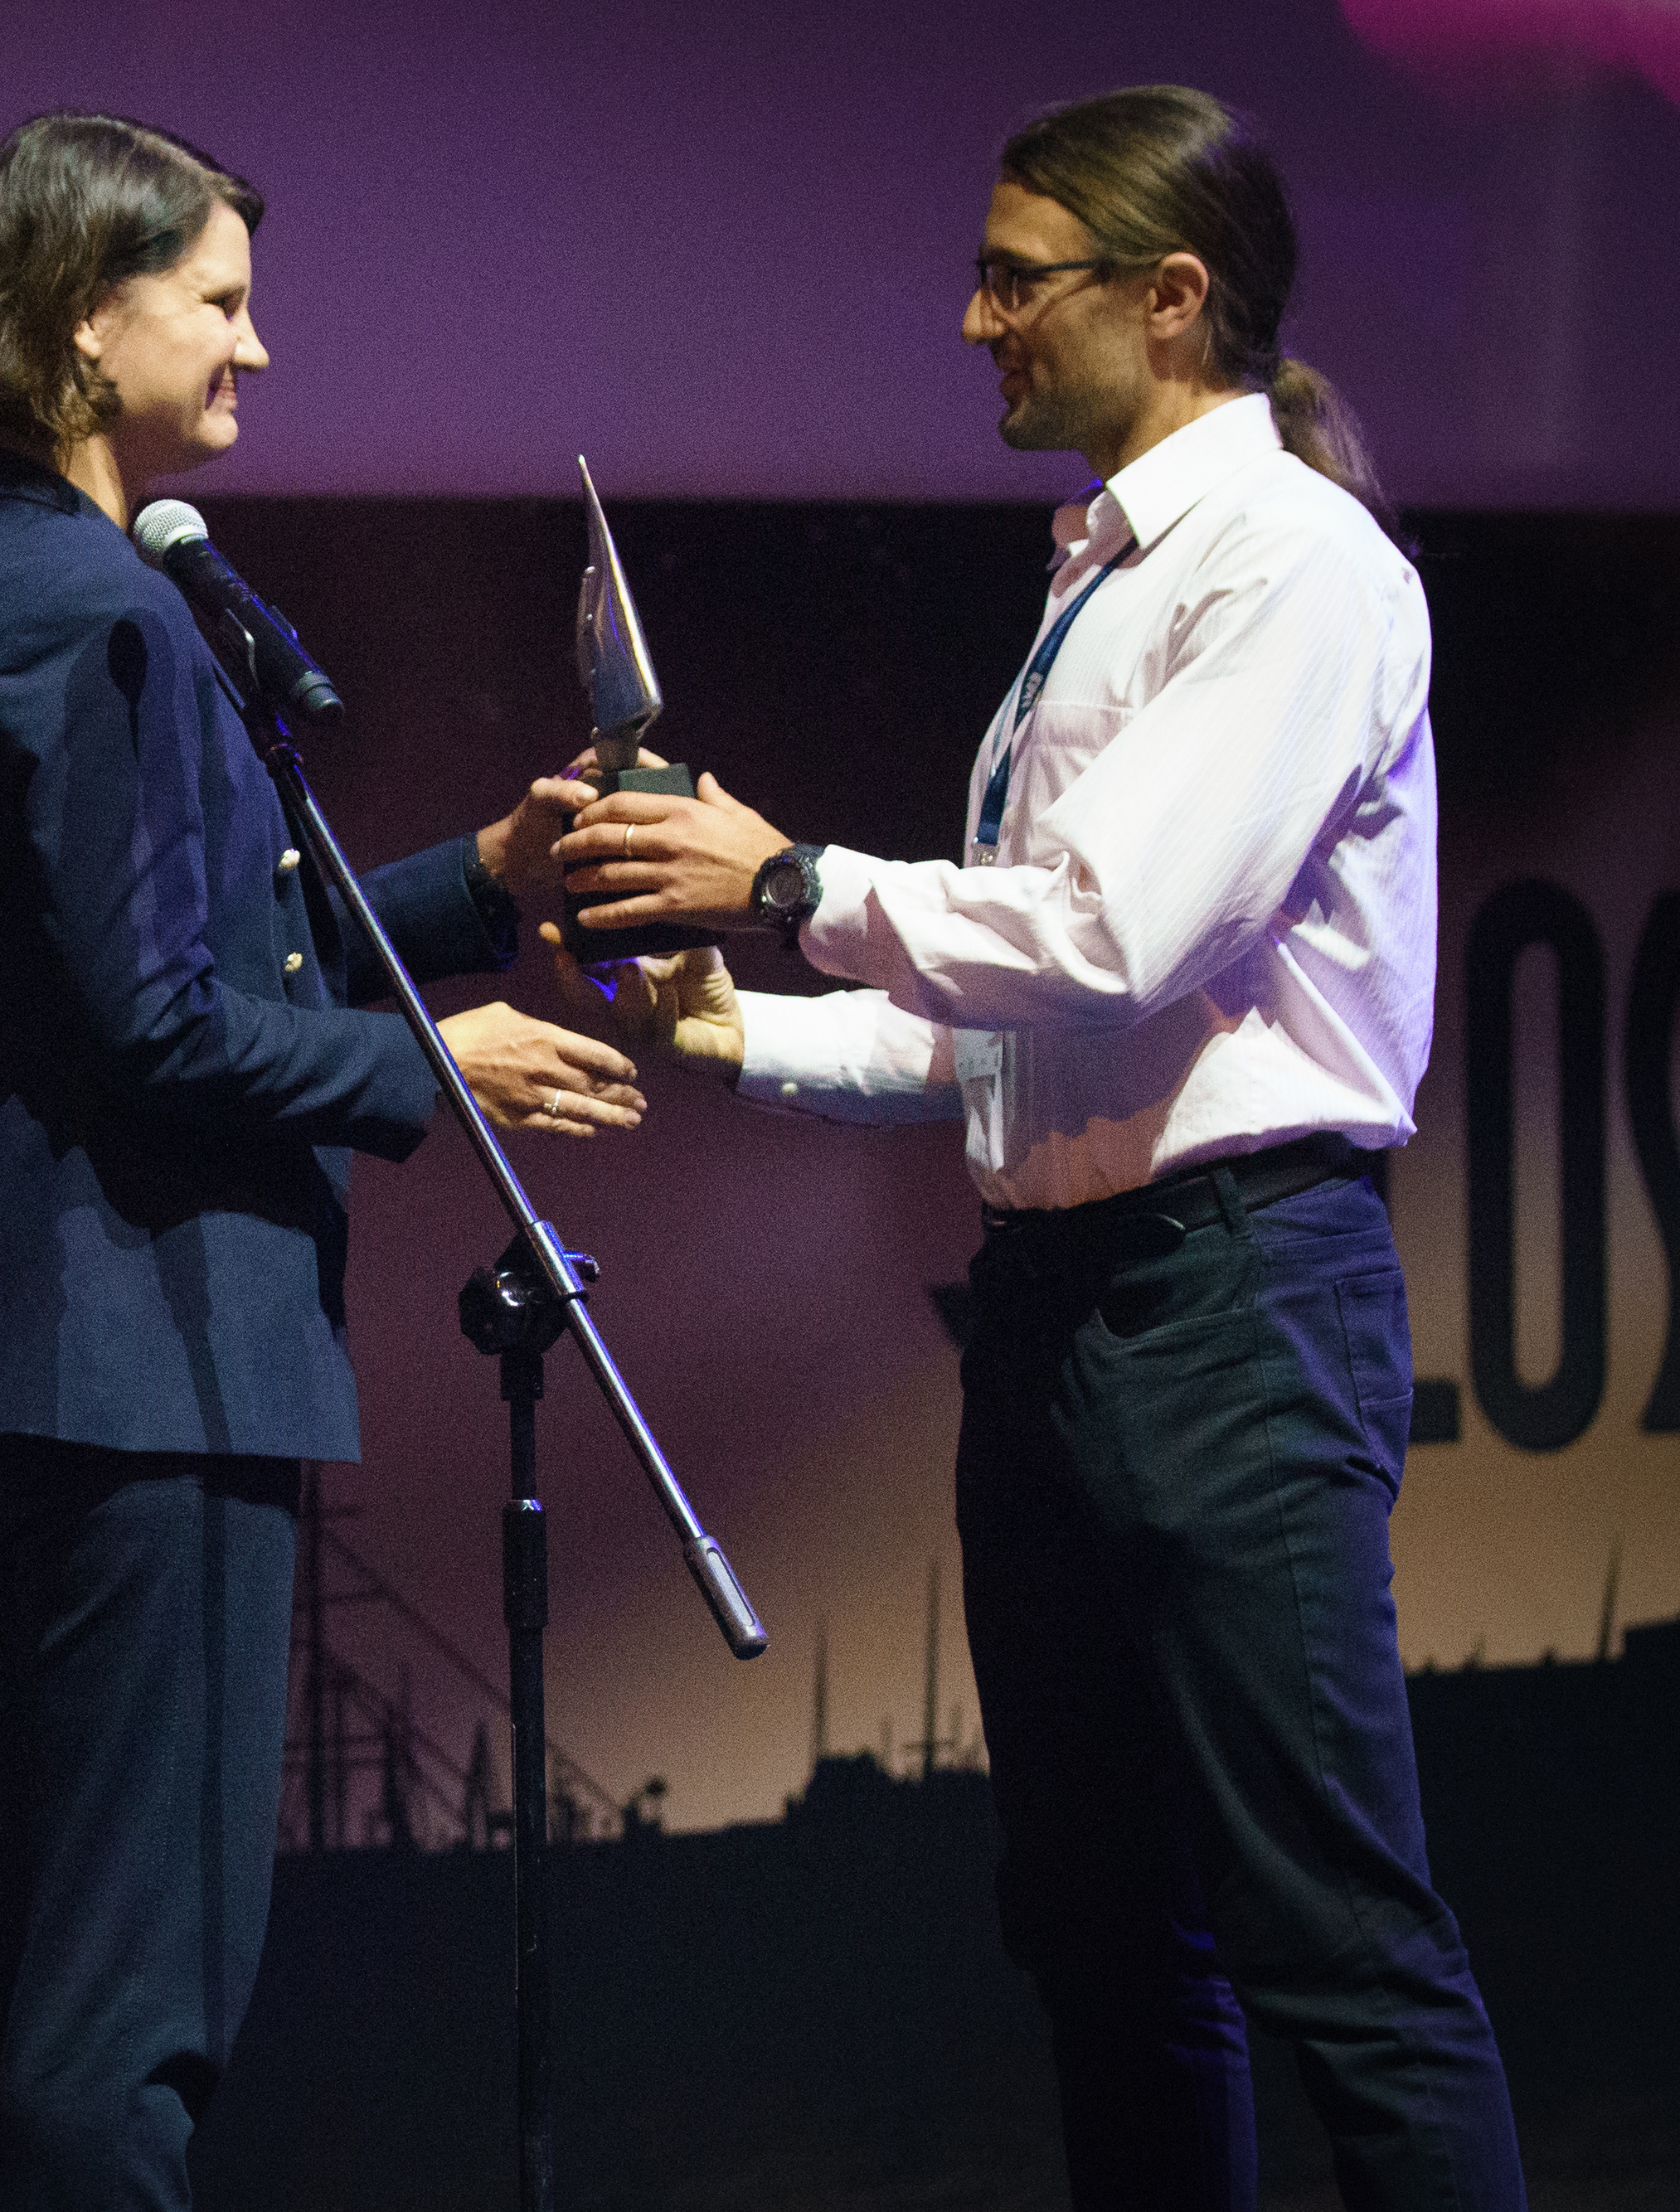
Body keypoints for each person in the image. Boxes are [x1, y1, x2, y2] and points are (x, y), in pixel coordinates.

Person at [549, 86, 1523, 2212]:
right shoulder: (1104, 575)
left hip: (1232, 1302)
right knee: (1102, 1937)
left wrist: (787, 868)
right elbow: (1029, 1028)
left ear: (1169, 300)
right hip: (1067, 1310)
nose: (970, 312)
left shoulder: (1286, 567)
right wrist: (750, 1029)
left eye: (1017, 274)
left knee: (1332, 1940)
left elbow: (1106, 930)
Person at [0, 112, 643, 2210]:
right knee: (135, 2000)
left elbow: (197, 946)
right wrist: (431, 1061)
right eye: (216, 301)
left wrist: (473, 884)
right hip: (132, 1358)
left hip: (87, 1357)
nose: (254, 349)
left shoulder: (38, 583)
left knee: (76, 1967)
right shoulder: (80, 609)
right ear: (84, 324)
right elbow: (156, 1025)